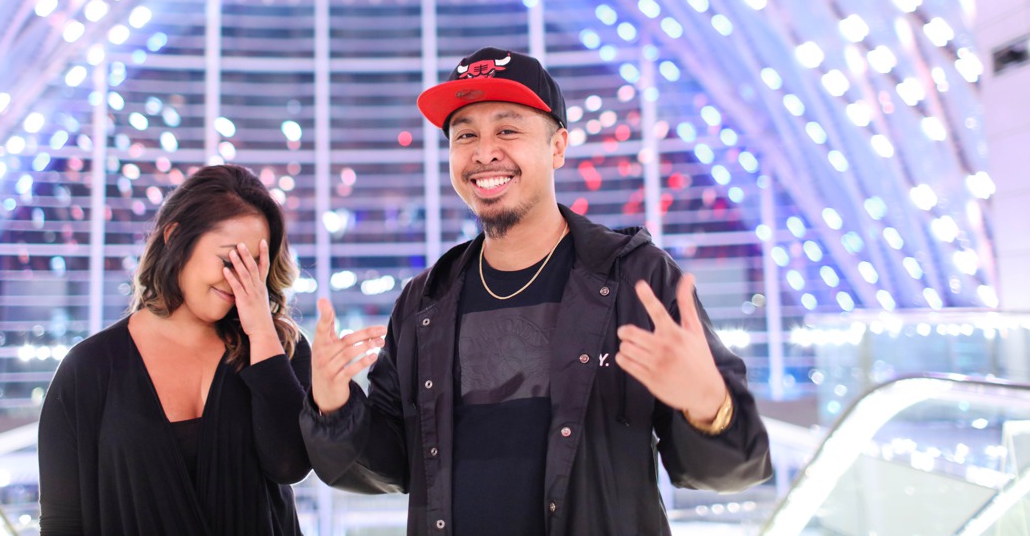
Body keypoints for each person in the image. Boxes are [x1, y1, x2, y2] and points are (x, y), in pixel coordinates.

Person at [301, 47, 772, 535]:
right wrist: (334, 407)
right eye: (466, 135)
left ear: (558, 147)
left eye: (507, 129)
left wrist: (708, 405)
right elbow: (393, 462)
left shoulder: (635, 279)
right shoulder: (426, 301)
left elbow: (735, 467)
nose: (484, 152)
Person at [38, 163, 312, 535]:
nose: (241, 280)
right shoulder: (89, 368)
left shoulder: (278, 351)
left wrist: (262, 330)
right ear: (174, 237)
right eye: (230, 260)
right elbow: (63, 523)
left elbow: (290, 466)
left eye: (255, 266)